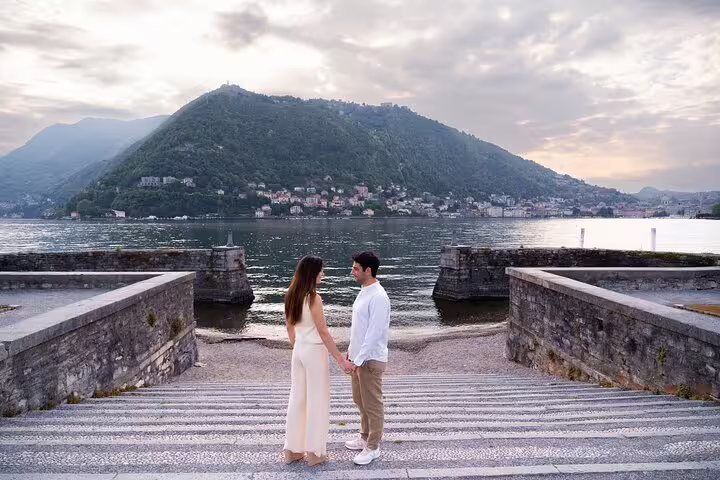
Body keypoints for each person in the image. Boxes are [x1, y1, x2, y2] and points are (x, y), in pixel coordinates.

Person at [282, 255, 355, 466]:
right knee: (317, 400)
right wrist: (340, 359)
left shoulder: (290, 294)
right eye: (321, 271)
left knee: (297, 399)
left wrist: (297, 346)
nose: (323, 274)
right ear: (312, 273)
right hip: (314, 351)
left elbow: (290, 328)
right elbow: (323, 332)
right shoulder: (314, 297)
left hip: (299, 351)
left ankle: (292, 450)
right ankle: (314, 453)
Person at [344, 251, 391, 465]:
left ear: (368, 270)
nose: (352, 271)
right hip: (359, 357)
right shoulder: (364, 291)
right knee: (360, 400)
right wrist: (351, 352)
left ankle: (373, 446)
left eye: (356, 268)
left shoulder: (379, 296)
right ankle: (364, 437)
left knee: (372, 403)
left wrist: (359, 359)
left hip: (370, 359)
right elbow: (359, 328)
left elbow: (374, 333)